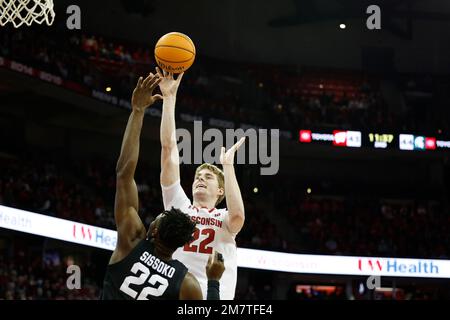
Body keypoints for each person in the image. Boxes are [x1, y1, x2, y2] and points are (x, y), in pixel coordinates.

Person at [101, 73, 224, 300]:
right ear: (183, 244)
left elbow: (123, 174)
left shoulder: (131, 239)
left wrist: (137, 111)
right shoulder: (187, 284)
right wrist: (214, 282)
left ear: (154, 230)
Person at [157, 68, 246, 300]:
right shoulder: (179, 206)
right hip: (177, 295)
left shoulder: (224, 218)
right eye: (198, 175)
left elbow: (238, 216)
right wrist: (169, 99)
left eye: (208, 177)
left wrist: (228, 167)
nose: (200, 179)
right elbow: (168, 150)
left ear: (220, 190)